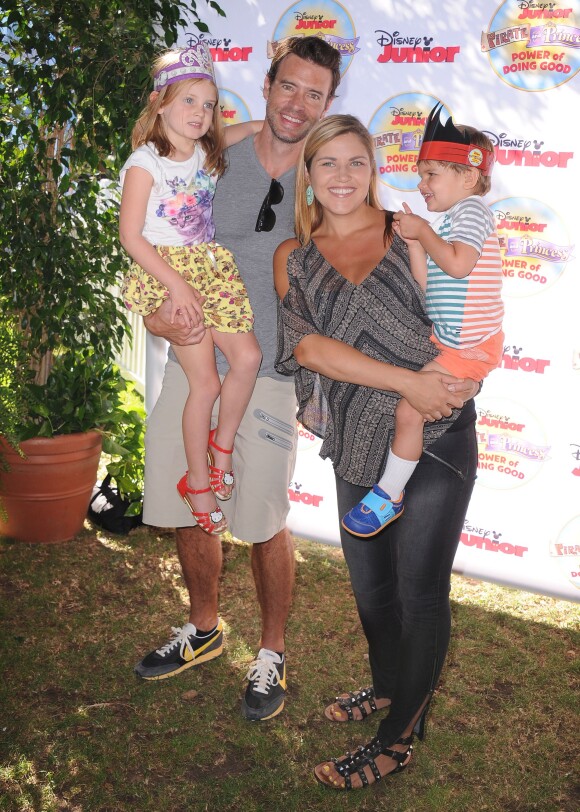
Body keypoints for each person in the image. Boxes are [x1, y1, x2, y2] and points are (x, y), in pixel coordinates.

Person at [133, 37, 342, 722]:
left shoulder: (329, 177)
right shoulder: (212, 154)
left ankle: (272, 651)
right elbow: (151, 238)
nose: (299, 103)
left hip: (271, 375)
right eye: (289, 86)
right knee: (189, 501)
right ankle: (203, 629)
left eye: (315, 93)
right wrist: (160, 323)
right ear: (268, 83)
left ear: (329, 103)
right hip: (194, 363)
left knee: (261, 520)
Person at [274, 114, 478, 789]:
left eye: (354, 162)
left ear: (372, 169)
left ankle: (395, 742)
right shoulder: (293, 259)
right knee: (372, 595)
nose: (341, 176)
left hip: (438, 435)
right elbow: (307, 348)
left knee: (420, 595)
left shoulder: (408, 231)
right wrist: (406, 383)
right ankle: (392, 686)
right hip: (359, 445)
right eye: (326, 163)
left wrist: (450, 376)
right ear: (308, 174)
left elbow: (467, 301)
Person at [119, 43, 262, 536]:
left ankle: (220, 451)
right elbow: (131, 236)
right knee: (206, 384)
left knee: (247, 359)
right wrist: (176, 287)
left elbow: (242, 131)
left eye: (208, 104)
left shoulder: (204, 151)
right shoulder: (145, 162)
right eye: (189, 101)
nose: (200, 113)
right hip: (168, 273)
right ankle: (196, 481)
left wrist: (272, 125)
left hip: (208, 267)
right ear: (160, 103)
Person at [342, 103, 503, 537]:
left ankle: (389, 494)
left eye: (432, 173)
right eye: (421, 172)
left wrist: (424, 233)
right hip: (453, 343)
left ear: (468, 177)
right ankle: (391, 492)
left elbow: (458, 266)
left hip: (468, 348)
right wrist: (414, 243)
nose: (421, 182)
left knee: (409, 411)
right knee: (410, 410)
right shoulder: (448, 222)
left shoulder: (472, 213)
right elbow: (428, 288)